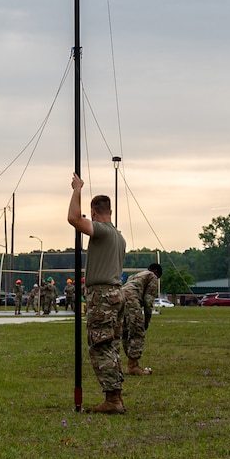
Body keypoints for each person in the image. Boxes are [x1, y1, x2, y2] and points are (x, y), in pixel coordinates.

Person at [68, 174, 128, 413]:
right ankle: (114, 397)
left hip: (102, 296)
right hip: (115, 293)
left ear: (93, 212)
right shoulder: (119, 236)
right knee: (110, 345)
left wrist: (76, 190)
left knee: (101, 345)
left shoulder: (102, 231)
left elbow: (73, 218)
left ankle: (113, 400)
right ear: (110, 211)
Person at [121, 262, 161, 375]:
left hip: (120, 297)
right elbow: (148, 302)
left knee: (125, 332)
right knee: (137, 332)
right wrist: (146, 321)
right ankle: (132, 365)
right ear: (157, 273)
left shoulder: (134, 276)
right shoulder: (152, 276)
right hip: (132, 299)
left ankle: (130, 362)